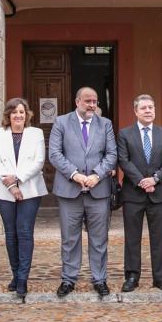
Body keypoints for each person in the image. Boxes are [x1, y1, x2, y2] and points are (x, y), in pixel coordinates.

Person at [48, 87, 117, 299]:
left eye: (95, 101)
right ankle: (68, 279)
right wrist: (75, 175)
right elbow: (55, 154)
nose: (92, 105)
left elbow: (112, 154)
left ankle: (100, 279)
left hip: (98, 190)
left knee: (99, 238)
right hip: (70, 190)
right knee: (70, 239)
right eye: (87, 101)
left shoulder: (105, 124)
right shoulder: (61, 122)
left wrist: (97, 174)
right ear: (77, 101)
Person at [0, 97, 47, 301]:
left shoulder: (36, 133)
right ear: (8, 115)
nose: (18, 116)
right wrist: (12, 186)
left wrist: (19, 178)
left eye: (22, 112)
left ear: (27, 114)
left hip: (30, 189)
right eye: (14, 112)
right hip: (4, 190)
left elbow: (39, 161)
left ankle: (22, 278)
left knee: (24, 232)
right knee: (11, 234)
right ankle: (16, 274)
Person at [117, 94, 162, 293]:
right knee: (132, 238)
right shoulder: (125, 134)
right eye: (143, 108)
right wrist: (142, 181)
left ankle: (160, 277)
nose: (148, 111)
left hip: (158, 194)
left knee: (159, 238)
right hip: (133, 194)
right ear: (136, 111)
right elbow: (123, 161)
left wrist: (155, 179)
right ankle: (132, 276)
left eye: (151, 107)